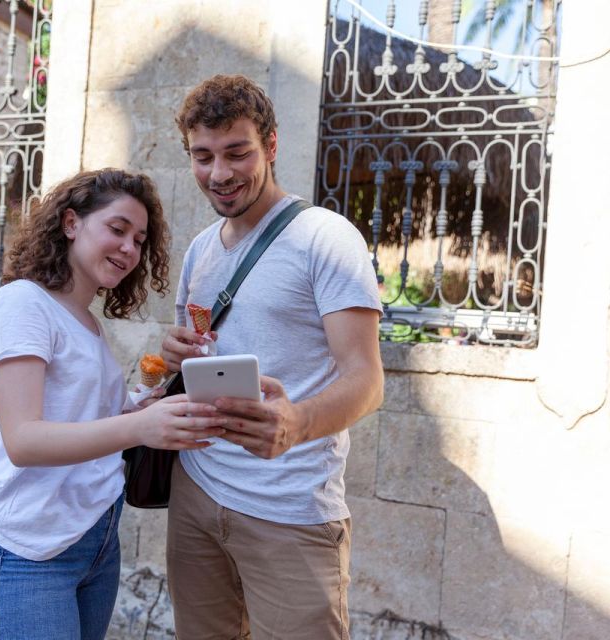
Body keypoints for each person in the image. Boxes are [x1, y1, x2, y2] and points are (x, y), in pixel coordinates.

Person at [160, 75, 385, 639]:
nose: (220, 174)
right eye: (203, 156)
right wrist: (171, 356)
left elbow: (367, 379)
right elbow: (204, 351)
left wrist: (299, 420)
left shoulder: (325, 238)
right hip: (196, 492)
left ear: (272, 145)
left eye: (238, 152)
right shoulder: (200, 251)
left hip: (289, 507)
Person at [0, 168, 228, 640]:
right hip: (28, 552)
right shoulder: (22, 305)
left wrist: (142, 403)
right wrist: (140, 428)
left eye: (140, 239)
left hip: (95, 542)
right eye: (117, 229)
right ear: (70, 223)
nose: (130, 248)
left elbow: (82, 419)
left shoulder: (84, 320)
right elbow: (23, 440)